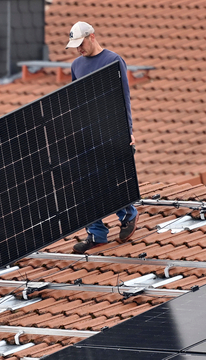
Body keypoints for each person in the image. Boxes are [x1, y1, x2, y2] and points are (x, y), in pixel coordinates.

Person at [66, 21, 140, 254]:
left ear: (92, 37)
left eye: (81, 44)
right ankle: (96, 235)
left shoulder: (112, 60)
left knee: (109, 179)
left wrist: (127, 131)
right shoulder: (76, 65)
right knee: (84, 183)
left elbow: (123, 96)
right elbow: (74, 101)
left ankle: (128, 215)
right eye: (75, 46)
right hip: (86, 135)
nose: (79, 49)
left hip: (111, 131)